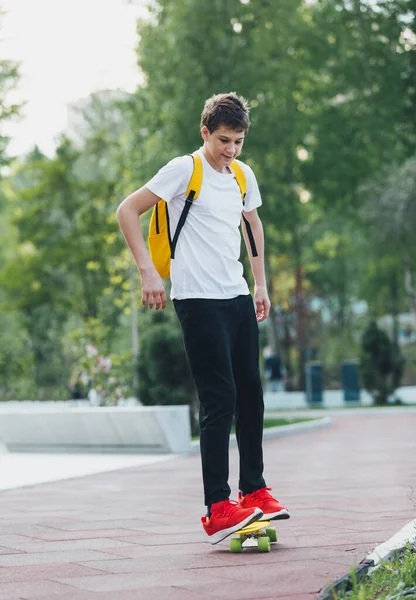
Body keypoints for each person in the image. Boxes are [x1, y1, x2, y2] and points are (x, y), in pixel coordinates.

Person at [116, 92, 290, 544]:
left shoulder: (241, 174)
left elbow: (251, 225)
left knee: (251, 394)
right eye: (224, 141)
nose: (231, 150)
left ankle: (253, 490)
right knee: (220, 399)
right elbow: (127, 211)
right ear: (205, 133)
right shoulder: (183, 170)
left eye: (238, 142)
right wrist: (148, 273)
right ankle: (217, 506)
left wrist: (261, 284)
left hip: (235, 295)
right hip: (196, 299)